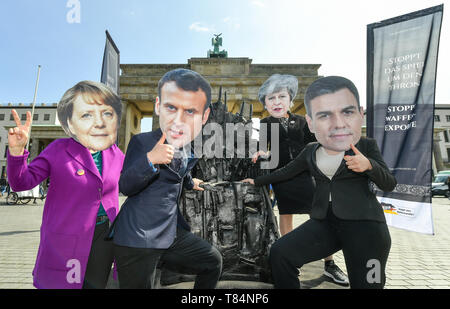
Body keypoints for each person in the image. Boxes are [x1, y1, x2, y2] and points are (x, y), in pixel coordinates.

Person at [243, 76, 396, 289]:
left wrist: (368, 165)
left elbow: (389, 183)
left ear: (360, 114)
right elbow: (286, 170)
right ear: (312, 122)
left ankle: (332, 265)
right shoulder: (311, 151)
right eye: (324, 115)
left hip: (367, 229)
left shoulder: (366, 145)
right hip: (327, 224)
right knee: (281, 253)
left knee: (370, 284)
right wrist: (256, 180)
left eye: (346, 112)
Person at [110, 68, 223, 289]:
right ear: (158, 106)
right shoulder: (143, 142)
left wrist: (192, 182)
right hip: (138, 238)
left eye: (190, 111)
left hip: (169, 234)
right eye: (172, 107)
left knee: (212, 260)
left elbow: (180, 172)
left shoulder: (189, 147)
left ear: (204, 116)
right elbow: (126, 185)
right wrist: (151, 159)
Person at [7, 81, 124, 289]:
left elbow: (136, 179)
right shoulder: (58, 149)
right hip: (67, 240)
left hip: (105, 238)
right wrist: (17, 152)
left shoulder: (115, 153)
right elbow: (21, 183)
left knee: (95, 286)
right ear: (71, 122)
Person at [252, 74, 347, 285]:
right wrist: (261, 153)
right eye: (271, 98)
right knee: (285, 215)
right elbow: (264, 146)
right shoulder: (266, 123)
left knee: (320, 216)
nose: (277, 102)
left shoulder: (303, 121)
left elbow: (315, 143)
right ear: (265, 104)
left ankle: (330, 264)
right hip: (282, 175)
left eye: (281, 96)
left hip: (306, 174)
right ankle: (288, 258)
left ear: (290, 101)